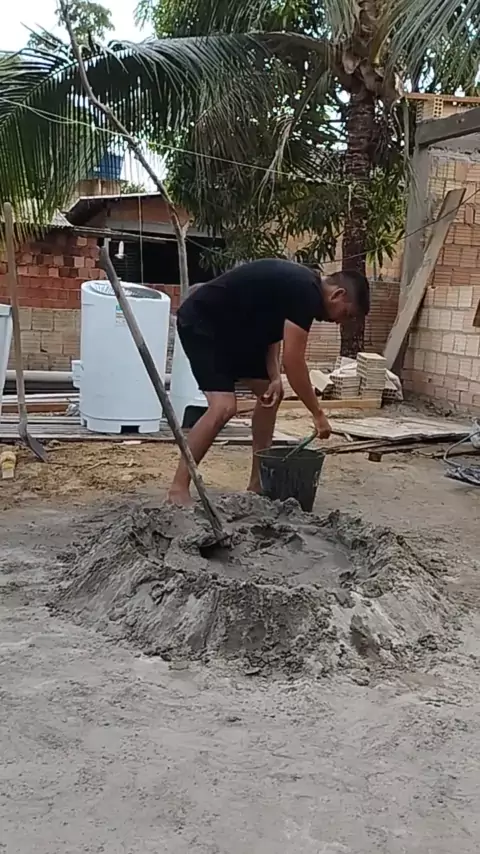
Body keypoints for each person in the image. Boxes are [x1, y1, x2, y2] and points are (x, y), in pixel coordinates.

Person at [168, 258, 370, 505]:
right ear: (338, 294)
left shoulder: (301, 287)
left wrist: (274, 377)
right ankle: (178, 489)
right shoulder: (306, 291)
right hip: (204, 322)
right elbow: (294, 362)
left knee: (270, 396)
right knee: (223, 406)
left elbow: (272, 334)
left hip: (237, 331)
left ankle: (257, 484)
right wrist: (317, 413)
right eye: (346, 314)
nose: (339, 322)